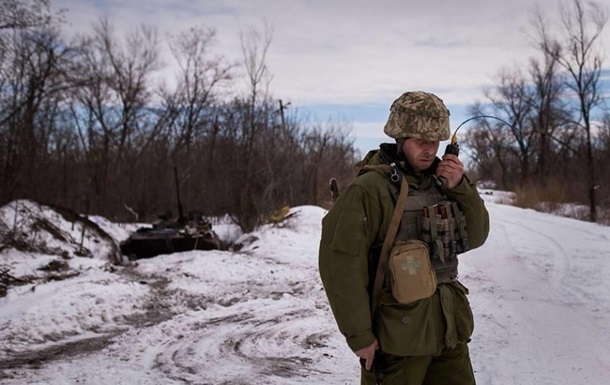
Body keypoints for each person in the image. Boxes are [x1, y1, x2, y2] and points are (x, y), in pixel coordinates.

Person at [318, 91, 490, 385]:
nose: (428, 149)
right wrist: (359, 335)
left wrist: (461, 187)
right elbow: (341, 264)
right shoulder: (370, 188)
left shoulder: (443, 182)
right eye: (420, 141)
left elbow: (475, 236)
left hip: (448, 332)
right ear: (400, 138)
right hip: (398, 339)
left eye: (434, 141)